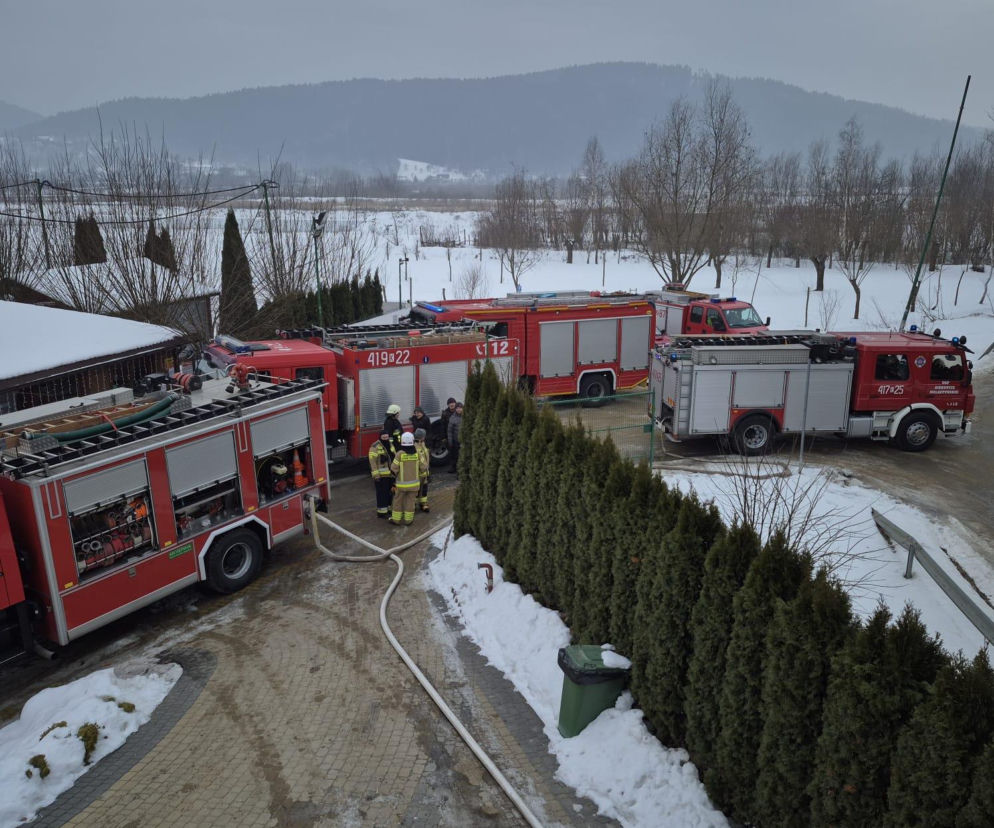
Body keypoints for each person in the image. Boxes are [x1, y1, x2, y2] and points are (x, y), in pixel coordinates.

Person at [389, 432, 425, 525]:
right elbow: (424, 467)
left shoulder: (400, 454)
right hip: (414, 485)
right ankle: (408, 520)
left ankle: (396, 520)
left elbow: (393, 469)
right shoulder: (417, 453)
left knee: (397, 501)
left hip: (401, 485)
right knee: (410, 502)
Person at [368, 431, 395, 519]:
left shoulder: (390, 444)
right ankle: (381, 512)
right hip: (381, 476)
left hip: (390, 475)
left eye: (387, 437)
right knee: (382, 494)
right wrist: (376, 475)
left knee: (390, 493)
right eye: (384, 438)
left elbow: (394, 457)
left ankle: (388, 509)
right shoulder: (375, 446)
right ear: (380, 437)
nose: (386, 439)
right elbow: (372, 462)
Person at [413, 427, 430, 512]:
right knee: (416, 490)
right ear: (421, 437)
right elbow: (420, 460)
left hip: (424, 473)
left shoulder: (422, 444)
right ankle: (414, 505)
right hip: (418, 473)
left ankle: (423, 503)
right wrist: (424, 468)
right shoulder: (415, 447)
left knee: (424, 490)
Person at [447, 401, 463, 475]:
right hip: (455, 441)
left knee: (462, 457)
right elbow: (449, 431)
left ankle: (461, 471)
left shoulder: (466, 416)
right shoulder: (452, 418)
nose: (459, 409)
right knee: (455, 456)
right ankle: (454, 468)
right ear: (455, 409)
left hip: (464, 441)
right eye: (457, 408)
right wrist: (450, 441)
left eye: (460, 408)